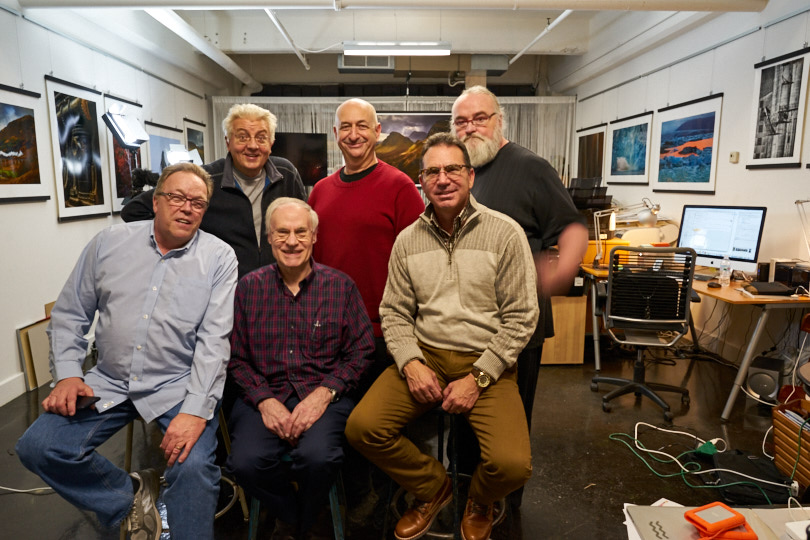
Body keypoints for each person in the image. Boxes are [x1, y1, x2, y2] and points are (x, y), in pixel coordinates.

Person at [16, 162, 238, 540]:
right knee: (38, 447)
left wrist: (196, 412)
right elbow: (70, 314)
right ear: (156, 201)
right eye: (177, 197)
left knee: (195, 466)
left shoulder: (219, 258)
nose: (187, 207)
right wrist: (69, 373)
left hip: (177, 385)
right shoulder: (108, 244)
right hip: (111, 380)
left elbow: (213, 343)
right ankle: (129, 497)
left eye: (198, 203)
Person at [346, 133, 539, 540]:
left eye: (453, 169)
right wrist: (411, 363)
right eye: (433, 171)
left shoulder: (505, 233)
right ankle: (435, 488)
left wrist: (480, 377)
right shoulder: (407, 241)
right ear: (421, 181)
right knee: (362, 428)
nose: (443, 178)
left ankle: (480, 499)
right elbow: (394, 312)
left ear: (470, 177)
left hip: (486, 359)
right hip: (427, 354)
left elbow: (522, 317)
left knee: (512, 465)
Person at [451, 86, 588, 503]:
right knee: (463, 417)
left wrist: (555, 275)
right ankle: (465, 495)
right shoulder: (459, 171)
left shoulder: (530, 167)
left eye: (480, 118)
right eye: (461, 121)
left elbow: (572, 229)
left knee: (508, 423)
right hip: (465, 323)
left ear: (499, 121)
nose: (471, 127)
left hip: (517, 326)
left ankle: (501, 504)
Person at [225, 198, 374, 539]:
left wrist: (324, 394)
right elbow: (236, 357)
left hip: (325, 398)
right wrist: (264, 400)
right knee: (245, 463)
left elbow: (362, 351)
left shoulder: (341, 287)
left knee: (319, 458)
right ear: (268, 237)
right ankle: (298, 515)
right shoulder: (248, 289)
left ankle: (302, 517)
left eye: (300, 232)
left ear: (314, 237)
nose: (292, 241)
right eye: (282, 232)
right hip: (263, 397)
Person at [308, 98, 424, 392]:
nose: (354, 134)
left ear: (377, 131)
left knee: (373, 427)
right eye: (345, 127)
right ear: (335, 133)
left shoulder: (401, 187)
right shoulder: (320, 192)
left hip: (382, 333)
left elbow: (420, 263)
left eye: (362, 126)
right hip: (329, 331)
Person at [122, 103, 307, 279]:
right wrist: (183, 245)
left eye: (261, 137)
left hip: (277, 287)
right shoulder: (204, 178)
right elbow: (135, 210)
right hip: (225, 290)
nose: (252, 145)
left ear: (271, 143)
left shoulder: (286, 174)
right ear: (228, 142)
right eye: (242, 137)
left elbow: (305, 225)